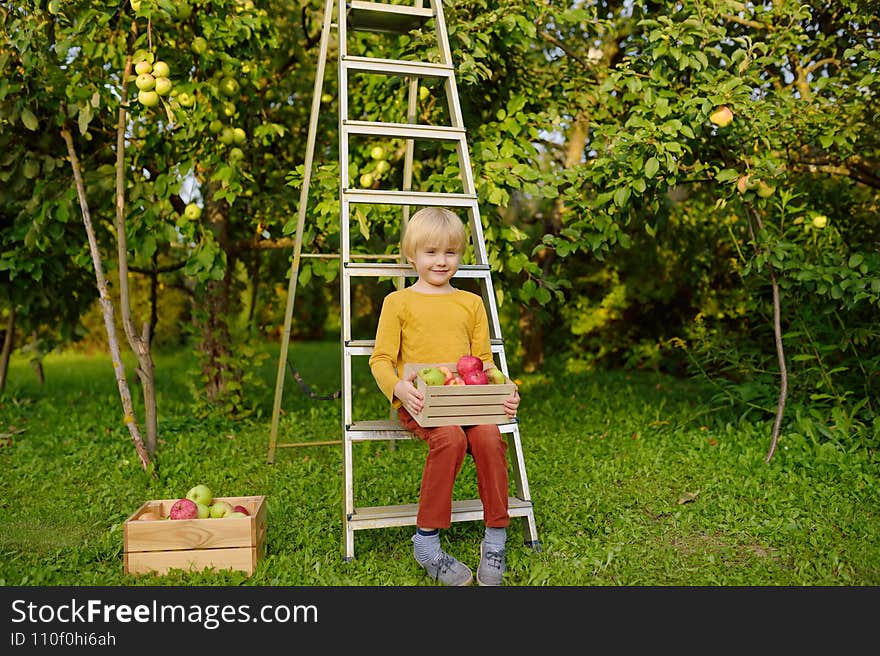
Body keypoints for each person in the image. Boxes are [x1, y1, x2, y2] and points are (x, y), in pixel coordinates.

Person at [368, 207, 521, 586]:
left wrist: (506, 389)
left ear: (461, 255)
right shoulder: (398, 302)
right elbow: (381, 360)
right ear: (411, 255)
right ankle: (427, 540)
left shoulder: (470, 303)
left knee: (488, 436)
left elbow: (483, 362)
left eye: (450, 253)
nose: (441, 261)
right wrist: (399, 387)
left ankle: (496, 538)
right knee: (450, 438)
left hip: (467, 400)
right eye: (431, 252)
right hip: (423, 402)